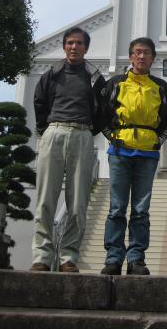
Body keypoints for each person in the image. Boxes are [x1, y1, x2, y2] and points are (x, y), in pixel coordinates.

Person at [31, 26, 106, 273]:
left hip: (83, 134)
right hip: (54, 131)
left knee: (78, 202)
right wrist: (47, 129)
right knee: (45, 199)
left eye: (79, 43)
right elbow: (39, 103)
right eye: (70, 43)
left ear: (86, 48)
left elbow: (104, 110)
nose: (74, 47)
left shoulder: (95, 77)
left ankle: (68, 257)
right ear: (64, 46)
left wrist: (89, 131)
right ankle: (42, 256)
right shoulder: (51, 74)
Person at [101, 37, 167, 276]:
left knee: (141, 210)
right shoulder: (116, 83)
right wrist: (113, 138)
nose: (142, 56)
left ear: (153, 58)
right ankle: (113, 258)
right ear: (131, 56)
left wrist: (156, 141)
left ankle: (136, 258)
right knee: (117, 207)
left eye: (146, 53)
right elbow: (103, 114)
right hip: (120, 151)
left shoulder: (160, 86)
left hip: (147, 153)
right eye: (137, 52)